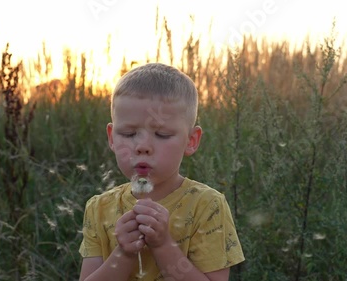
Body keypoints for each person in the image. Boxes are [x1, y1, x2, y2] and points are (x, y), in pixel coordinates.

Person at [79, 63, 245, 281]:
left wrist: (163, 244)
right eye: (128, 134)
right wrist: (124, 253)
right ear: (112, 138)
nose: (142, 146)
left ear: (191, 140)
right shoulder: (99, 208)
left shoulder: (207, 206)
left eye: (162, 134)